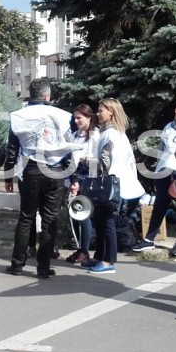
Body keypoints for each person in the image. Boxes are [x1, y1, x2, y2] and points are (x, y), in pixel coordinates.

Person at [2, 78, 73, 279]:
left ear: (30, 94)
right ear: (47, 96)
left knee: (26, 217)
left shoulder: (18, 116)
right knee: (50, 219)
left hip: (31, 168)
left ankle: (17, 264)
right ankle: (43, 267)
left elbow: (12, 147)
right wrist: (70, 171)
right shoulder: (62, 115)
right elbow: (68, 145)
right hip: (54, 169)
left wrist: (8, 175)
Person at [75, 98, 144, 274]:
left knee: (106, 223)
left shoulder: (110, 135)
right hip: (111, 182)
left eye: (101, 110)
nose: (98, 114)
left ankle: (108, 261)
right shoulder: (114, 133)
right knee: (100, 221)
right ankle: (99, 256)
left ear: (111, 112)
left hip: (109, 184)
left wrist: (84, 160)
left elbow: (104, 164)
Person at [132, 97, 176, 257]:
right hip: (164, 170)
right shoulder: (169, 127)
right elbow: (162, 150)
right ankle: (149, 239)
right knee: (160, 205)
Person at [65, 104, 100, 264]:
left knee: (84, 216)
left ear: (89, 117)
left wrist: (79, 176)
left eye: (79, 117)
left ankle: (85, 250)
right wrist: (73, 180)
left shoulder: (94, 136)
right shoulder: (74, 135)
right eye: (75, 117)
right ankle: (80, 248)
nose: (76, 120)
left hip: (88, 180)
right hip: (74, 179)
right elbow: (69, 158)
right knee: (75, 215)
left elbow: (95, 161)